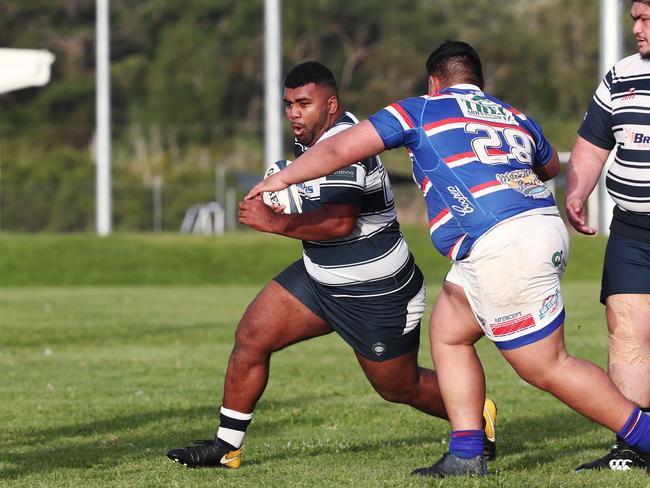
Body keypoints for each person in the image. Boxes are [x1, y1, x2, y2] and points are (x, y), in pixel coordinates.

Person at [248, 41, 650, 478]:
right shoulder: (512, 115)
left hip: (503, 241)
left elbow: (338, 150)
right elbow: (549, 164)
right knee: (449, 330)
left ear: (434, 82)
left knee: (547, 365)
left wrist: (280, 180)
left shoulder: (420, 109)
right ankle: (466, 451)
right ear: (478, 82)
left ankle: (645, 434)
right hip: (532, 227)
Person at [167, 61, 497, 469]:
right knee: (252, 337)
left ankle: (476, 416)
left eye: (304, 103)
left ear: (331, 104)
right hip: (319, 278)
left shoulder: (345, 144)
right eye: (288, 104)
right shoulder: (310, 139)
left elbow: (339, 224)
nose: (293, 113)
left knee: (399, 387)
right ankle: (226, 446)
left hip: (377, 291)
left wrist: (274, 221)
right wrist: (285, 199)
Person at [565, 0, 650, 473]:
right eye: (634, 18)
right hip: (634, 229)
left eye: (646, 19)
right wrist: (577, 192)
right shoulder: (622, 76)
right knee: (627, 330)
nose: (636, 28)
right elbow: (592, 145)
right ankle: (635, 447)